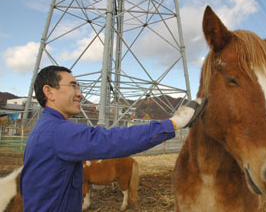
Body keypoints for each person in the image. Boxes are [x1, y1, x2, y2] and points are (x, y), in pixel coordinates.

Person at [20, 65, 206, 211]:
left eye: (79, 86)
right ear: (49, 92)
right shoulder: (57, 132)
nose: (79, 93)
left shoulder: (45, 129)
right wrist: (173, 123)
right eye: (73, 86)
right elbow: (112, 139)